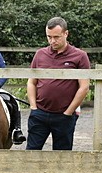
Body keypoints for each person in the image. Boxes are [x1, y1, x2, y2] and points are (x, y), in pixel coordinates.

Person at [26, 16, 90, 151]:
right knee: (31, 151)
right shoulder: (40, 54)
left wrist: (69, 112)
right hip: (40, 113)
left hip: (64, 115)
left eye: (56, 37)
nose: (52, 41)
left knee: (62, 155)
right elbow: (31, 82)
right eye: (49, 37)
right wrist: (33, 107)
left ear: (66, 33)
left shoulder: (79, 56)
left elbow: (84, 87)